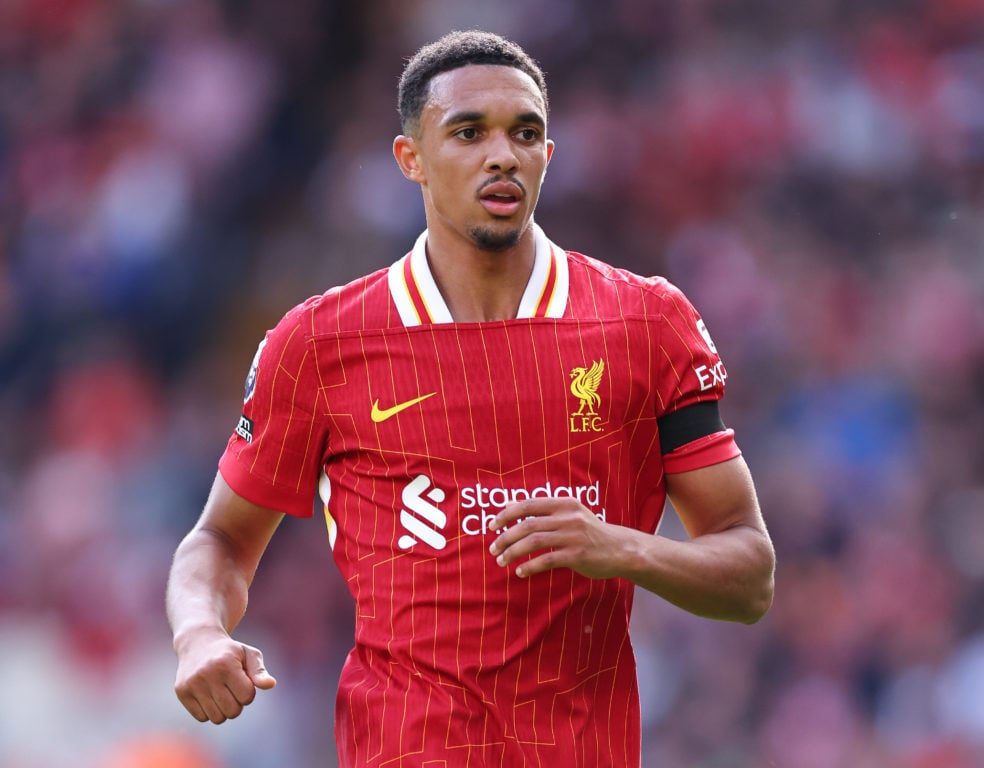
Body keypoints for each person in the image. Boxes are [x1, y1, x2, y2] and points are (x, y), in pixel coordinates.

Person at [167, 29, 775, 768]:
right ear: (410, 160)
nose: (502, 155)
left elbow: (750, 575)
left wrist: (619, 548)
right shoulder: (321, 342)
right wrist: (199, 632)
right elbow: (221, 540)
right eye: (468, 132)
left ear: (547, 157)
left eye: (526, 133)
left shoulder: (648, 323)